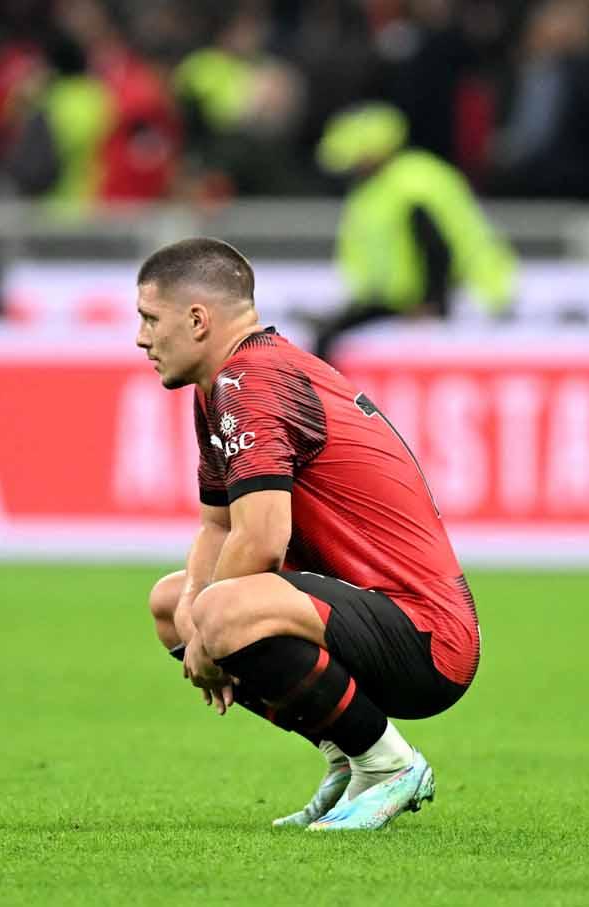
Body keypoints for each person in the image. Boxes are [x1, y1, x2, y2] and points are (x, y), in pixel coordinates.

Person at [134, 238, 480, 832]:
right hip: (370, 616)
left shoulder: (253, 382)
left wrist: (210, 632)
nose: (141, 338)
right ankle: (349, 758)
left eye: (148, 319)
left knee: (218, 611)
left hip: (427, 636)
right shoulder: (223, 385)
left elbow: (262, 541)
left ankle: (389, 764)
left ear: (197, 320)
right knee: (174, 604)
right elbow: (217, 525)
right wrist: (194, 618)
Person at [309, 103, 516, 364]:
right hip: (406, 298)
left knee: (330, 338)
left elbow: (437, 247)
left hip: (464, 297)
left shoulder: (412, 183)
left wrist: (432, 303)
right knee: (328, 336)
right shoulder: (386, 184)